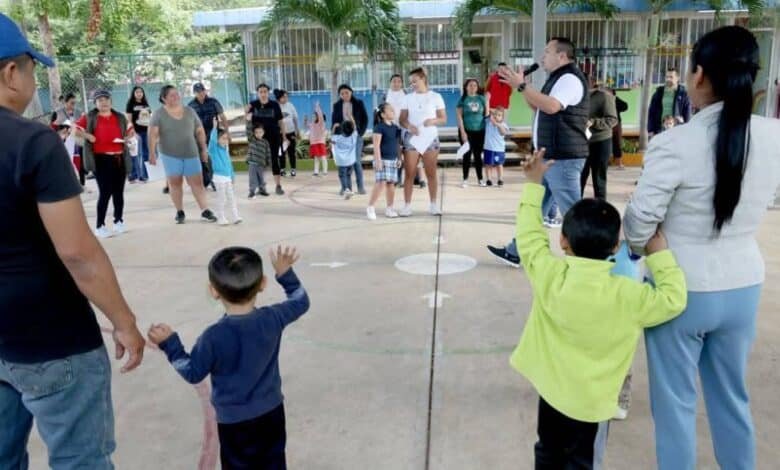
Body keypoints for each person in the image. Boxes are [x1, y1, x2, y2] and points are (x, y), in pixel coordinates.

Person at [623, 26, 780, 469]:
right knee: (732, 399)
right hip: (744, 282)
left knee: (675, 408)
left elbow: (639, 226)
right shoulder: (773, 136)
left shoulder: (675, 142)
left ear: (699, 76)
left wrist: (649, 241)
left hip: (680, 288)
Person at [0, 14, 144, 468]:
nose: (33, 80)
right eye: (30, 69)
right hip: (51, 337)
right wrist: (123, 320)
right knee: (80, 461)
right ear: (10, 73)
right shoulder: (32, 143)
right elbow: (77, 252)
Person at [511, 148, 687, 469]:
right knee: (581, 460)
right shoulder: (628, 295)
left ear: (563, 241)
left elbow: (529, 237)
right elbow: (673, 299)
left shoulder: (551, 276)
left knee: (547, 451)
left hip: (551, 394)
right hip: (592, 403)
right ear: (615, 247)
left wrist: (534, 185)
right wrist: (659, 253)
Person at [147, 245, 310, 469]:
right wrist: (285, 273)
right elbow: (301, 301)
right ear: (262, 283)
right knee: (273, 461)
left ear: (214, 291)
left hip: (235, 422)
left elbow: (193, 372)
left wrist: (170, 344)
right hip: (272, 412)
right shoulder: (273, 318)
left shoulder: (213, 337)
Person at [487, 37, 590, 267]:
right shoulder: (556, 79)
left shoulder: (570, 79)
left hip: (563, 158)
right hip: (552, 156)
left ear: (562, 56)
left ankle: (588, 261)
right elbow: (539, 106)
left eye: (547, 52)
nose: (542, 57)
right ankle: (516, 251)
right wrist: (523, 87)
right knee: (535, 207)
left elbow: (552, 107)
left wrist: (521, 86)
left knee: (573, 215)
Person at [149, 85, 217, 224]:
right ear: (164, 98)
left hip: (191, 153)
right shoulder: (158, 114)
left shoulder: (189, 111)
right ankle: (179, 211)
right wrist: (151, 153)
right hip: (170, 154)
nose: (176, 97)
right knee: (175, 183)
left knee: (197, 183)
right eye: (172, 95)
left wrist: (204, 149)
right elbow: (153, 134)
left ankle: (205, 210)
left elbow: (199, 131)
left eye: (177, 94)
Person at [75, 89, 134, 238]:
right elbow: (74, 129)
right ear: (95, 103)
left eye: (106, 99)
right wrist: (88, 135)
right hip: (101, 159)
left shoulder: (119, 117)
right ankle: (100, 226)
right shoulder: (89, 117)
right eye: (100, 100)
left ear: (111, 101)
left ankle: (118, 221)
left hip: (119, 158)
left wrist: (128, 137)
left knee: (118, 192)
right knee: (105, 192)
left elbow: (130, 130)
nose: (104, 102)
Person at [399, 67, 447, 216]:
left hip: (430, 139)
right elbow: (402, 119)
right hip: (412, 139)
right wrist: (409, 126)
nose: (412, 84)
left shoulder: (436, 96)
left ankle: (433, 205)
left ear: (423, 78)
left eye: (415, 80)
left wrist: (432, 120)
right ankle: (407, 206)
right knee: (410, 173)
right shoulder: (407, 98)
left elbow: (443, 119)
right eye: (411, 82)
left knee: (431, 173)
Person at [383, 74, 425, 188]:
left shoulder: (408, 95)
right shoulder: (385, 96)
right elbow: (382, 113)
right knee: (397, 153)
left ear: (402, 83)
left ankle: (419, 178)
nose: (396, 83)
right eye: (394, 81)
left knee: (411, 152)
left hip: (406, 127)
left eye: (399, 81)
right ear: (390, 83)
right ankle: (397, 178)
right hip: (392, 127)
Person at [247, 83, 286, 195]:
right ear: (257, 93)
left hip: (274, 137)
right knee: (258, 162)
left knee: (274, 161)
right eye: (261, 92)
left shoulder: (275, 105)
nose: (263, 94)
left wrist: (283, 136)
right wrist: (246, 111)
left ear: (268, 93)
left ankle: (278, 186)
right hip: (258, 139)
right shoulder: (253, 105)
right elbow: (247, 119)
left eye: (265, 91)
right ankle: (261, 187)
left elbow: (281, 121)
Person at [581, 81, 618, 199]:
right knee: (579, 178)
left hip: (601, 142)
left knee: (599, 180)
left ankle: (601, 211)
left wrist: (593, 122)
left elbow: (612, 120)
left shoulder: (605, 97)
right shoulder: (577, 97)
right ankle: (576, 211)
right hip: (581, 142)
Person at [189, 82, 227, 191]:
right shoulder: (191, 106)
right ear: (194, 93)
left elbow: (222, 117)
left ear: (205, 91)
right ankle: (205, 181)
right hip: (198, 136)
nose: (200, 93)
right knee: (202, 159)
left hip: (213, 134)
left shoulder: (213, 102)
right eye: (198, 92)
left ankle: (215, 180)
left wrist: (227, 132)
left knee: (213, 159)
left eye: (202, 91)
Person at [367, 103, 401, 220]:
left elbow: (397, 144)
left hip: (393, 159)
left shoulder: (395, 128)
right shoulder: (379, 127)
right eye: (390, 110)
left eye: (393, 109)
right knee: (380, 183)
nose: (393, 111)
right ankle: (370, 207)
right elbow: (376, 145)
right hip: (382, 159)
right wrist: (378, 160)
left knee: (391, 184)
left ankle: (390, 208)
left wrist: (399, 158)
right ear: (382, 114)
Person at [331, 84, 368, 194]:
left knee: (356, 161)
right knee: (344, 163)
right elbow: (334, 121)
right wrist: (335, 133)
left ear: (351, 92)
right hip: (343, 137)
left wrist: (361, 133)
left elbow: (365, 119)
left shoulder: (358, 103)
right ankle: (346, 187)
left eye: (346, 92)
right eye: (342, 93)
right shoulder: (336, 105)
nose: (344, 95)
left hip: (356, 136)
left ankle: (360, 187)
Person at [456, 78, 487, 187]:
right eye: (470, 85)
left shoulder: (482, 99)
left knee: (478, 155)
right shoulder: (463, 99)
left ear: (477, 87)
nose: (473, 87)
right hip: (466, 131)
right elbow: (459, 117)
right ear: (466, 87)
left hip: (480, 131)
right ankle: (465, 179)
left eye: (475, 85)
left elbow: (486, 115)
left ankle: (480, 179)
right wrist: (462, 131)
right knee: (467, 155)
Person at [208, 124, 242, 226]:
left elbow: (229, 163)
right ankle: (221, 217)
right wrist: (214, 128)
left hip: (227, 177)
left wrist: (232, 176)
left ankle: (235, 216)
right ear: (217, 139)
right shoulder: (213, 150)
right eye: (222, 138)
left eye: (226, 138)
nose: (225, 140)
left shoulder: (226, 149)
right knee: (221, 198)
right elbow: (212, 141)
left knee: (231, 198)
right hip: (219, 178)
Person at [647, 67, 692, 139]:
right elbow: (651, 112)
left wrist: (686, 131)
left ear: (677, 78)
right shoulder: (659, 92)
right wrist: (650, 130)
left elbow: (687, 114)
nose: (668, 79)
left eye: (671, 77)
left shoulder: (684, 94)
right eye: (667, 77)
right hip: (659, 131)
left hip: (676, 131)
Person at [125, 86, 151, 184]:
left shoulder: (145, 104)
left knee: (143, 154)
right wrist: (133, 132)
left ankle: (133, 175)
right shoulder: (130, 104)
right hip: (136, 132)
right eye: (137, 92)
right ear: (134, 93)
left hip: (146, 131)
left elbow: (149, 117)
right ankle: (140, 176)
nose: (139, 93)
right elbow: (129, 120)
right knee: (137, 154)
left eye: (141, 92)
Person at [275, 89, 299, 177]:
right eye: (283, 97)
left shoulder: (290, 106)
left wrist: (297, 130)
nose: (285, 98)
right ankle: (282, 169)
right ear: (279, 98)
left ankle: (293, 169)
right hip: (280, 133)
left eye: (286, 97)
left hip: (291, 132)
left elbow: (295, 118)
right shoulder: (276, 106)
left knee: (291, 152)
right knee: (281, 151)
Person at [483, 107, 509, 187]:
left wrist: (497, 124)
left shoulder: (503, 125)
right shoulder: (488, 122)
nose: (496, 116)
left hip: (499, 149)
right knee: (488, 164)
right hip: (488, 148)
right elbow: (487, 113)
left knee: (499, 164)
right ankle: (489, 179)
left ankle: (500, 179)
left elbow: (503, 132)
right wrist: (491, 111)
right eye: (494, 115)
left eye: (499, 115)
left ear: (502, 117)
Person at [332, 120, 358, 199]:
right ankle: (349, 190)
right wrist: (351, 119)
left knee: (342, 176)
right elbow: (355, 128)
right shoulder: (354, 136)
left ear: (342, 129)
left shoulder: (337, 138)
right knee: (348, 175)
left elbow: (332, 139)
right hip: (350, 161)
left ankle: (346, 190)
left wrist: (334, 127)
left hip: (341, 162)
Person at [246, 124, 271, 198]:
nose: (258, 134)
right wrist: (248, 121)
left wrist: (269, 163)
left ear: (263, 132)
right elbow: (248, 132)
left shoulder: (265, 142)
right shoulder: (252, 140)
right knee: (252, 178)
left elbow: (268, 153)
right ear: (254, 133)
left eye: (260, 132)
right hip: (252, 164)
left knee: (262, 178)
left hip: (261, 164)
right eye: (256, 132)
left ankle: (262, 190)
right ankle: (252, 191)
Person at [308, 102, 328, 177]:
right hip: (314, 143)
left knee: (323, 157)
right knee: (316, 157)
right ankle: (316, 172)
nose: (313, 117)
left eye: (315, 116)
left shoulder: (321, 124)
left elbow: (320, 116)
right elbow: (307, 125)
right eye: (313, 116)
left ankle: (325, 172)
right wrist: (306, 121)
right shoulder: (312, 124)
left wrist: (317, 107)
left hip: (320, 142)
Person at [610, 88, 628, 170]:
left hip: (616, 124)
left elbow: (625, 106)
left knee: (617, 143)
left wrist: (615, 99)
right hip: (606, 124)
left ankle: (619, 163)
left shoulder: (615, 100)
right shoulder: (603, 100)